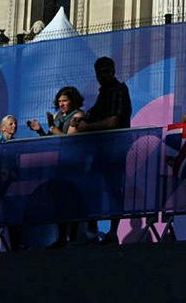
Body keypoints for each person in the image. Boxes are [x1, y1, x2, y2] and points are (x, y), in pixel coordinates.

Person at [73, 57, 134, 245]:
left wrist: (86, 127)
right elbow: (95, 113)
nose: (103, 75)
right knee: (94, 188)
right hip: (102, 149)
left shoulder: (117, 90)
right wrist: (82, 118)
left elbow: (113, 121)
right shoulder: (105, 91)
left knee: (113, 189)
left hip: (114, 148)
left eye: (107, 71)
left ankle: (111, 232)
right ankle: (94, 228)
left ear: (113, 71)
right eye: (101, 72)